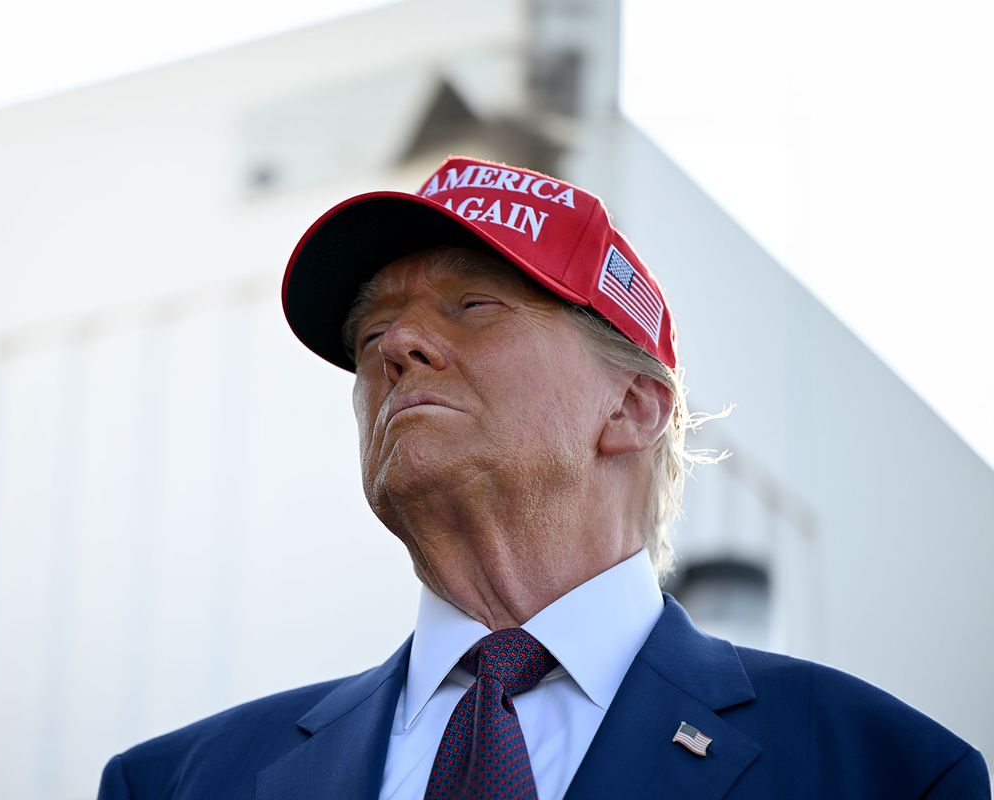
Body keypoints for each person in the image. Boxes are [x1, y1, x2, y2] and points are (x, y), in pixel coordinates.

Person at [97, 156, 990, 799]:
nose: (398, 350)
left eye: (473, 306)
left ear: (634, 407)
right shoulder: (177, 783)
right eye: (370, 340)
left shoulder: (883, 771)